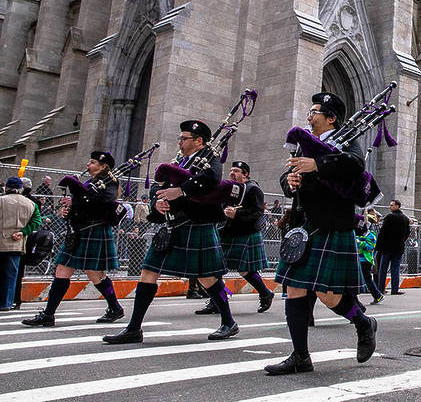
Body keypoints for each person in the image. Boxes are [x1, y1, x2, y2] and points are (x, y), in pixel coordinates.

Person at [264, 92, 376, 375]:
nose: (309, 115)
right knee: (294, 289)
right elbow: (289, 176)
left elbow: (356, 166)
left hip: (331, 225)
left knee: (328, 295)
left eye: (315, 111)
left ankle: (363, 322)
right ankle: (300, 356)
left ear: (331, 118)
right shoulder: (304, 146)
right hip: (303, 226)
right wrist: (289, 181)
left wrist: (318, 164)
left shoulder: (346, 139)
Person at [103, 120, 238, 344]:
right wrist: (157, 201)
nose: (180, 142)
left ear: (198, 141)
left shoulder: (211, 159)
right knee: (148, 272)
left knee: (207, 278)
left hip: (196, 223)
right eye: (180, 138)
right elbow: (158, 185)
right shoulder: (179, 161)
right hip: (172, 225)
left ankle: (228, 321)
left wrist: (182, 191)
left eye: (184, 138)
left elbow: (211, 181)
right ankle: (134, 328)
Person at [23, 152, 125, 326]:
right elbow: (82, 205)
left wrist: (75, 201)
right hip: (79, 232)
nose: (88, 165)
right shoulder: (90, 182)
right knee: (62, 271)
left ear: (103, 166)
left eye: (92, 162)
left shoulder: (110, 183)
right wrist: (67, 211)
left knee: (95, 275)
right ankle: (48, 314)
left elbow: (103, 203)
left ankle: (115, 308)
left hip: (94, 231)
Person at [195, 161, 275, 316]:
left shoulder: (253, 189)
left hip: (245, 233)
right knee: (215, 268)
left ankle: (265, 293)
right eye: (231, 170)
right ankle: (216, 301)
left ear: (245, 174)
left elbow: (258, 212)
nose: (232, 173)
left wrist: (237, 214)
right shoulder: (229, 188)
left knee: (245, 270)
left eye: (236, 171)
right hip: (226, 232)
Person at [1, 177, 42, 310]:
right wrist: (24, 232)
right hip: (17, 243)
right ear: (20, 189)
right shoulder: (31, 204)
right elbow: (37, 221)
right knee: (12, 274)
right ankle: (6, 303)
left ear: (6, 188)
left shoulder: (1, 201)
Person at [375, 199, 410, 295]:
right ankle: (394, 289)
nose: (390, 207)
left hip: (386, 247)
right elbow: (407, 233)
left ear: (397, 206)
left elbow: (382, 233)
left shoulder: (389, 217)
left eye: (392, 205)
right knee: (395, 268)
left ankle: (380, 288)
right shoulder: (405, 219)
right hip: (398, 247)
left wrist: (378, 246)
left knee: (383, 269)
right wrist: (401, 241)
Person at [356, 212, 384, 304]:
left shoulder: (371, 235)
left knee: (367, 279)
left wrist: (359, 242)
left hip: (365, 260)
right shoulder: (360, 234)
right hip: (358, 259)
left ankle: (378, 295)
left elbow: (370, 247)